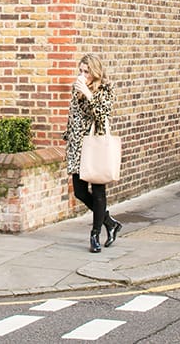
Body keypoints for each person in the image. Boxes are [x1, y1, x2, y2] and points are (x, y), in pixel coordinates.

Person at [63, 53, 122, 253]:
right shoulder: (76, 89)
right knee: (79, 191)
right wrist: (68, 136)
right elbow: (74, 116)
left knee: (98, 192)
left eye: (86, 71)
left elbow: (102, 115)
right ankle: (110, 222)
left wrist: (88, 95)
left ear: (95, 72)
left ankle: (95, 234)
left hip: (95, 145)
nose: (82, 75)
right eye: (80, 71)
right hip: (77, 146)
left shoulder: (106, 89)